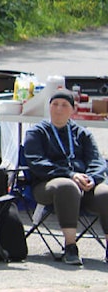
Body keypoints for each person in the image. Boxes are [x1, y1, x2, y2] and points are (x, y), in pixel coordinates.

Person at [23, 91, 108, 265]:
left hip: (84, 185)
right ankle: (70, 246)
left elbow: (97, 161)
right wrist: (70, 174)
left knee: (105, 192)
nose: (59, 109)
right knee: (67, 186)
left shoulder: (82, 134)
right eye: (55, 104)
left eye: (64, 105)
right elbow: (36, 162)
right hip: (48, 184)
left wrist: (91, 178)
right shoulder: (37, 132)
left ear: (72, 110)